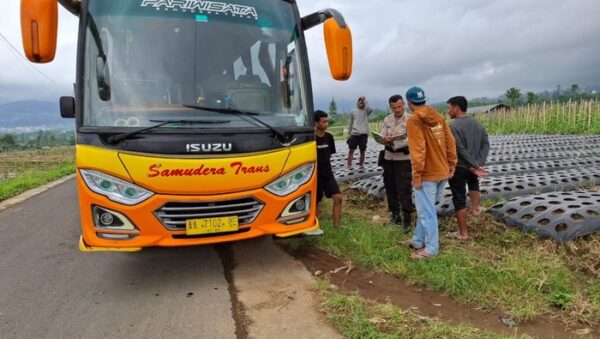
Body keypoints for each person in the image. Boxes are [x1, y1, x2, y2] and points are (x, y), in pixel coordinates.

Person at [405, 87, 457, 260]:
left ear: (410, 103)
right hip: (442, 172)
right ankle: (418, 240)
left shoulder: (414, 120)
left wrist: (417, 175)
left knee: (426, 212)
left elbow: (418, 149)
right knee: (426, 208)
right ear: (424, 101)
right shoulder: (438, 116)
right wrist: (452, 163)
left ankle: (432, 249)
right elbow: (450, 141)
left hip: (427, 174)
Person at [446, 96, 490, 240]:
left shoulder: (453, 127)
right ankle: (476, 209)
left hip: (459, 166)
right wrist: (478, 163)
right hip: (473, 166)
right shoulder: (478, 124)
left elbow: (459, 149)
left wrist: (474, 165)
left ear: (456, 108)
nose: (448, 111)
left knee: (458, 198)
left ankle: (463, 233)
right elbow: (485, 144)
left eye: (449, 108)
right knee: (473, 183)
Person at [304, 110, 343, 235]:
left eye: (327, 121)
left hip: (328, 173)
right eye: (324, 121)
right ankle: (314, 226)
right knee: (315, 201)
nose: (327, 124)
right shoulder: (310, 139)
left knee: (338, 198)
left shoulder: (329, 137)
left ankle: (337, 227)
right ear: (316, 123)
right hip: (314, 174)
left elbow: (329, 155)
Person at [380, 94, 414, 233]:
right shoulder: (387, 119)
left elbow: (412, 138)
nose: (397, 110)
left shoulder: (411, 119)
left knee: (404, 190)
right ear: (390, 107)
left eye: (399, 106)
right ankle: (395, 216)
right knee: (390, 189)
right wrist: (385, 138)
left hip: (403, 160)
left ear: (404, 104)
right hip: (388, 158)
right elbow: (382, 134)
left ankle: (407, 219)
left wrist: (394, 142)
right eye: (394, 107)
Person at [347, 96, 373, 168]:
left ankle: (361, 165)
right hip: (354, 134)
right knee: (351, 150)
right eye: (360, 102)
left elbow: (371, 109)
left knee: (362, 151)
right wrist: (349, 133)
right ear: (357, 103)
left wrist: (365, 100)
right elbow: (350, 123)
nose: (361, 104)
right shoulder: (353, 111)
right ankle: (349, 165)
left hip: (363, 134)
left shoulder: (366, 111)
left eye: (363, 103)